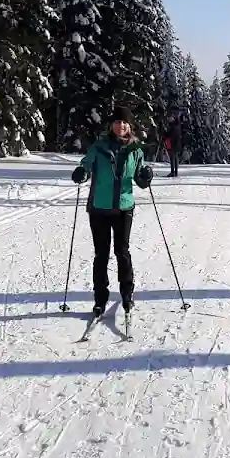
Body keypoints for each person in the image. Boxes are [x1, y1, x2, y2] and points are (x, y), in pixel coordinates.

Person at [71, 107, 153, 316]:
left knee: (122, 252)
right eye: (117, 122)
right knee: (101, 254)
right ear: (111, 125)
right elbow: (86, 165)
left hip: (124, 207)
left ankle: (127, 294)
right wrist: (81, 173)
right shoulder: (99, 147)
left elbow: (140, 180)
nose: (121, 125)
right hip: (99, 207)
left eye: (124, 122)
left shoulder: (135, 150)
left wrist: (146, 176)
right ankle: (100, 299)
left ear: (129, 126)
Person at [163, 109, 185, 177]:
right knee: (175, 158)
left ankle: (173, 172)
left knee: (172, 158)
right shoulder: (177, 125)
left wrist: (164, 134)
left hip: (173, 143)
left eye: (171, 118)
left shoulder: (174, 126)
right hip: (176, 143)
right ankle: (175, 172)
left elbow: (171, 134)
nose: (169, 119)